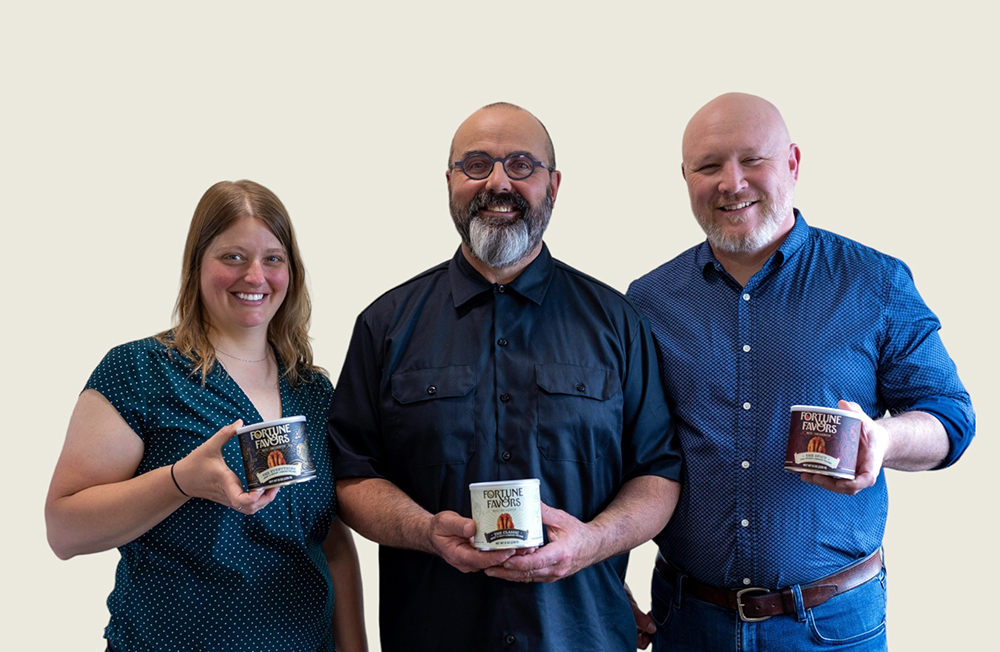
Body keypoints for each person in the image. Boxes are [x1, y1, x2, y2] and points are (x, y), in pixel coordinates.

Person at [326, 102, 683, 652]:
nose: (497, 182)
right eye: (476, 164)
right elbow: (350, 477)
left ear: (554, 184)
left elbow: (658, 472)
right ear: (449, 181)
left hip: (580, 636)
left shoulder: (617, 322)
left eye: (521, 165)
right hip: (434, 636)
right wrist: (425, 531)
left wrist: (590, 543)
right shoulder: (385, 325)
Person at [626, 93, 976, 651]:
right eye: (709, 166)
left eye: (752, 160)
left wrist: (882, 440)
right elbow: (618, 450)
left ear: (792, 162)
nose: (731, 182)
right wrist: (600, 572)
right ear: (685, 176)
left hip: (832, 624)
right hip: (688, 621)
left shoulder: (874, 282)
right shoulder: (648, 301)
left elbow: (951, 418)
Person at [45, 180, 368, 652]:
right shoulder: (140, 370)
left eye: (272, 258)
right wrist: (179, 481)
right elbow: (63, 530)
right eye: (233, 257)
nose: (255, 276)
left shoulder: (312, 390)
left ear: (291, 271)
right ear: (197, 265)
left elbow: (331, 539)